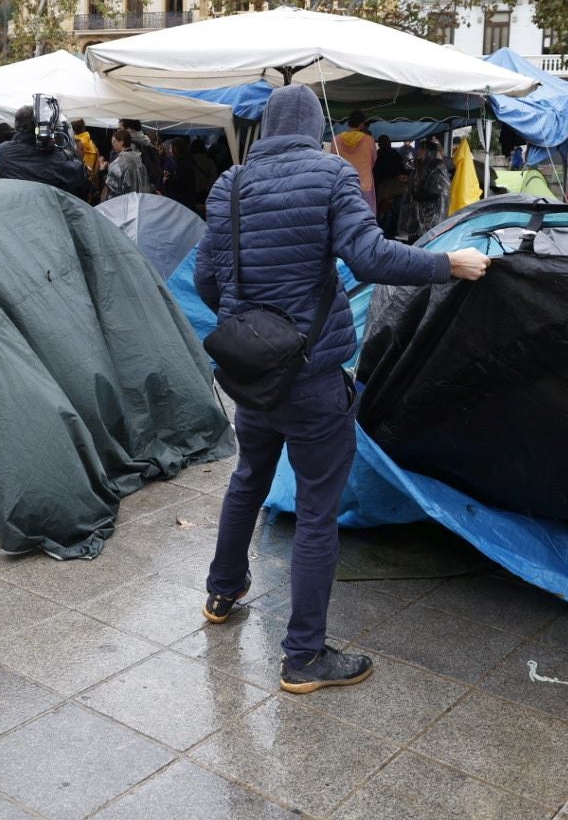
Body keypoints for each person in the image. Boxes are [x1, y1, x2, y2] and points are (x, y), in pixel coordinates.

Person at [194, 84, 490, 694]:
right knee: (316, 515)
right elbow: (371, 258)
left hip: (251, 377)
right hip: (311, 378)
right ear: (316, 128)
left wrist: (253, 328)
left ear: (266, 128)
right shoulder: (331, 175)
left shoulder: (230, 184)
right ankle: (303, 657)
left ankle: (222, 593)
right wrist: (447, 265)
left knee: (247, 478)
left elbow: (205, 278)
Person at [0, 105, 94, 200]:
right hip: (45, 213)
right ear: (43, 127)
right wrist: (66, 148)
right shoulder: (56, 159)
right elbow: (79, 179)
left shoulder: (2, 151)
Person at [398, 138, 450, 242]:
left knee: (427, 244)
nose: (418, 152)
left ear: (429, 152)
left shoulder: (437, 166)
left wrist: (417, 194)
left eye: (422, 149)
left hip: (431, 217)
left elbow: (437, 191)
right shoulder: (421, 165)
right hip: (418, 218)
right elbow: (419, 181)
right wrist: (409, 180)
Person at [331, 110, 378, 215]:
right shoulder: (369, 140)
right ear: (362, 124)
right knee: (366, 221)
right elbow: (374, 159)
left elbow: (333, 162)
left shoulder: (336, 140)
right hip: (365, 186)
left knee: (344, 219)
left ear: (348, 123)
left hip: (343, 186)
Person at [373, 135, 408, 237]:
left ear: (379, 144)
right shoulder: (394, 153)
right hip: (396, 189)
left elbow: (375, 172)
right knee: (395, 213)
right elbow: (402, 170)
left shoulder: (377, 155)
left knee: (383, 213)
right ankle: (391, 232)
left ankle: (383, 233)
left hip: (382, 189)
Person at [101, 129, 150, 200]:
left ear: (121, 142)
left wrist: (102, 170)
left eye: (114, 141)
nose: (112, 144)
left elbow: (111, 187)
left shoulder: (118, 162)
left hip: (122, 202)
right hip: (139, 200)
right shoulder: (138, 159)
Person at [164, 136, 204, 214]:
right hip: (188, 201)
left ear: (176, 149)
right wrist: (171, 176)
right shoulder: (186, 161)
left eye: (171, 148)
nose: (169, 151)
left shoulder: (183, 164)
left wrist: (167, 181)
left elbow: (180, 185)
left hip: (184, 204)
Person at [72, 119, 100, 191]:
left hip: (76, 182)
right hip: (89, 182)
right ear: (83, 127)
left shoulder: (73, 143)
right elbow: (97, 167)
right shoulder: (92, 145)